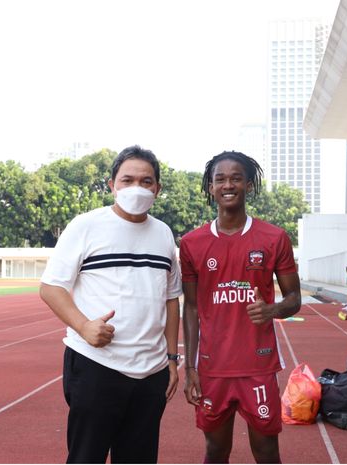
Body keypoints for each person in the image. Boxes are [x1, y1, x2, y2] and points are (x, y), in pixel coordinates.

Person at [39, 145, 182, 464]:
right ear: (112, 185)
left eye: (146, 182)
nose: (137, 188)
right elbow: (51, 287)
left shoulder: (163, 234)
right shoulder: (85, 226)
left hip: (151, 371)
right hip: (97, 364)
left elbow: (171, 298)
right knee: (86, 457)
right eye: (127, 180)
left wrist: (172, 358)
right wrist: (84, 326)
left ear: (157, 188)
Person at [180, 151, 301, 464]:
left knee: (266, 452)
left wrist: (272, 310)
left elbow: (294, 299)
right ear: (210, 187)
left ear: (248, 184)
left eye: (236, 178)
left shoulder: (274, 238)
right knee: (216, 451)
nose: (228, 185)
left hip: (258, 367)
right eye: (220, 179)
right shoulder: (192, 243)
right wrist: (190, 368)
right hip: (212, 368)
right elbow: (191, 308)